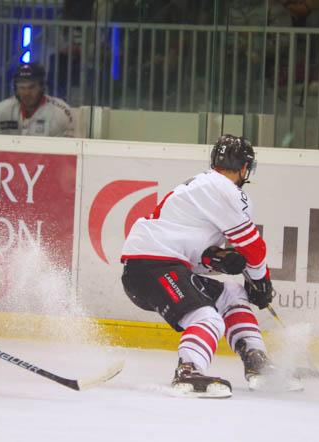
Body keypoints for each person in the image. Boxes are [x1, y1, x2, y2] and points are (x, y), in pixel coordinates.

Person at [120, 134, 300, 398]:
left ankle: (256, 360)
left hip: (153, 266)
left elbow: (194, 254)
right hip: (152, 265)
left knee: (233, 294)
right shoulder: (224, 189)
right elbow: (253, 247)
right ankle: (188, 370)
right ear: (244, 168)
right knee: (207, 317)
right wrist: (260, 281)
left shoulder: (202, 187)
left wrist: (217, 260)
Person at [0, 62, 76, 137]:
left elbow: (67, 148)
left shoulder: (61, 113)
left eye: (31, 87)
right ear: (16, 89)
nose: (26, 93)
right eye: (22, 87)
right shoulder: (2, 110)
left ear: (42, 87)